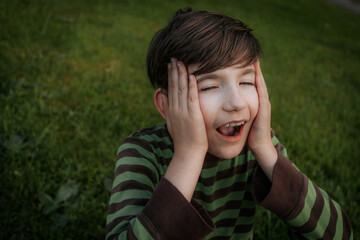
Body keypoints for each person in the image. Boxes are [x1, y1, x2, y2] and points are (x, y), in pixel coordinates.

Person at [106, 8, 353, 240]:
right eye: (209, 86)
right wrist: (188, 155)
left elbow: (340, 234)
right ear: (166, 105)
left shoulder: (259, 148)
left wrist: (266, 150)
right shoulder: (141, 153)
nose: (235, 102)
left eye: (246, 82)